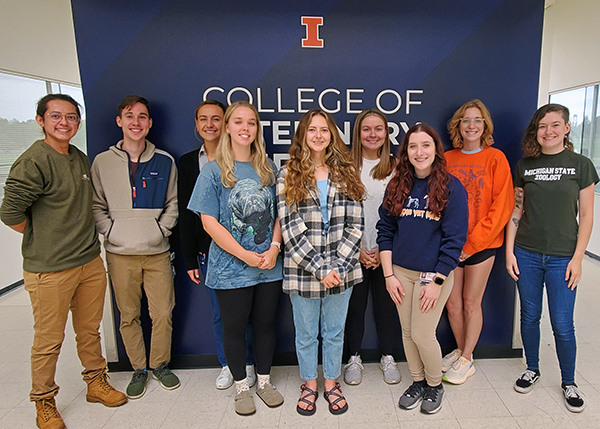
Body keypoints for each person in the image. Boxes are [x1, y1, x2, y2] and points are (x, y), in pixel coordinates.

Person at [0, 94, 127, 429]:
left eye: (71, 117)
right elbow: (10, 213)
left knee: (89, 331)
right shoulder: (33, 162)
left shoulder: (78, 158)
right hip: (48, 269)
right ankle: (44, 400)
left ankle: (95, 383)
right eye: (56, 116)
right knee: (48, 339)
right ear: (41, 120)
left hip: (88, 261)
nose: (64, 123)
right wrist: (44, 236)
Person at [188, 101, 284, 416]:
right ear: (228, 127)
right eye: (239, 122)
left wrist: (273, 248)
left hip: (268, 267)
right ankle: (242, 387)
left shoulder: (268, 169)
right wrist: (244, 254)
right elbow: (208, 222)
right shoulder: (213, 170)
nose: (245, 128)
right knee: (234, 327)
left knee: (266, 325)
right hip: (230, 268)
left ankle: (264, 382)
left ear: (257, 129)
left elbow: (279, 215)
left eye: (251, 123)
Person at [506, 103, 598, 413]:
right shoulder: (524, 166)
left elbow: (586, 215)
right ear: (536, 130)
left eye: (555, 125)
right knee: (530, 317)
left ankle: (569, 381)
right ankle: (532, 368)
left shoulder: (581, 165)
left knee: (562, 324)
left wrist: (578, 258)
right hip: (527, 252)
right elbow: (516, 210)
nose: (549, 131)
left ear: (567, 128)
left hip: (563, 257)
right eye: (543, 126)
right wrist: (509, 251)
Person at [91, 95, 180, 400]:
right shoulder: (102, 162)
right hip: (119, 253)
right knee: (128, 314)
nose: (136, 122)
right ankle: (138, 368)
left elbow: (173, 203)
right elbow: (96, 205)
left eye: (142, 117)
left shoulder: (165, 161)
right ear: (120, 121)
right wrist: (112, 231)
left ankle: (159, 365)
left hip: (156, 251)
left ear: (150, 123)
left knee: (163, 312)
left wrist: (159, 230)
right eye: (130, 116)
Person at [277, 109, 365, 416]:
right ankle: (309, 383)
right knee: (305, 333)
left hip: (342, 271)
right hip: (303, 271)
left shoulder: (347, 172)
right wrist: (320, 268)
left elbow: (356, 225)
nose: (318, 135)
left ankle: (331, 382)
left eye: (324, 130)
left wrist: (337, 267)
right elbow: (289, 227)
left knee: (334, 331)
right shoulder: (288, 174)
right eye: (312, 130)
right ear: (303, 135)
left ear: (332, 135)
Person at [378, 123, 468, 415]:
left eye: (425, 145)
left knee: (422, 333)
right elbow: (385, 231)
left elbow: (455, 240)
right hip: (401, 273)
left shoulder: (452, 187)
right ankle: (417, 382)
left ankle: (434, 385)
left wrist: (438, 281)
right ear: (405, 152)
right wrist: (389, 275)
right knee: (406, 332)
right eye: (413, 146)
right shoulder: (397, 185)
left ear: (435, 149)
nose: (419, 152)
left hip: (434, 275)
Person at [177, 99, 255, 390]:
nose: (210, 125)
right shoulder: (189, 163)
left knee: (249, 314)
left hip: (250, 251)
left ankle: (246, 363)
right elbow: (188, 213)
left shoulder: (249, 161)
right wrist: (189, 258)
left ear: (226, 124)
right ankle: (227, 363)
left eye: (216, 119)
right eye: (203, 119)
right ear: (196, 125)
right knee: (223, 314)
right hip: (210, 252)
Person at [442, 100, 514, 384]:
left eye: (477, 120)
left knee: (471, 303)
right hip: (450, 245)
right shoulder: (447, 159)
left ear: (485, 126)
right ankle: (461, 352)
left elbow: (503, 207)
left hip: (481, 246)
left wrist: (470, 245)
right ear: (458, 125)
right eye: (466, 120)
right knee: (451, 305)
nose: (472, 125)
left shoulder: (496, 158)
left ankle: (468, 358)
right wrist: (451, 243)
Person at [344, 109, 401, 386]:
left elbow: (402, 213)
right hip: (353, 252)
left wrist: (382, 249)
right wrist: (357, 250)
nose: (372, 134)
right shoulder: (344, 166)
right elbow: (338, 213)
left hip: (386, 251)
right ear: (358, 133)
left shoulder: (397, 166)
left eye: (378, 129)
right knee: (354, 307)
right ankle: (353, 357)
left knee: (387, 307)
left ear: (386, 133)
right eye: (366, 129)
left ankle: (388, 356)